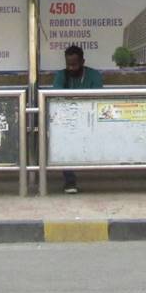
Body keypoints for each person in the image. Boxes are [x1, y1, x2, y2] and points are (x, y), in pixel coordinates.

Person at [52, 44, 102, 194]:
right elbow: (57, 97)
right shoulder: (61, 75)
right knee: (61, 140)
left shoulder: (94, 75)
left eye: (74, 65)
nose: (71, 68)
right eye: (68, 65)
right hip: (68, 121)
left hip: (90, 120)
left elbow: (97, 99)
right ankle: (70, 181)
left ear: (82, 62)